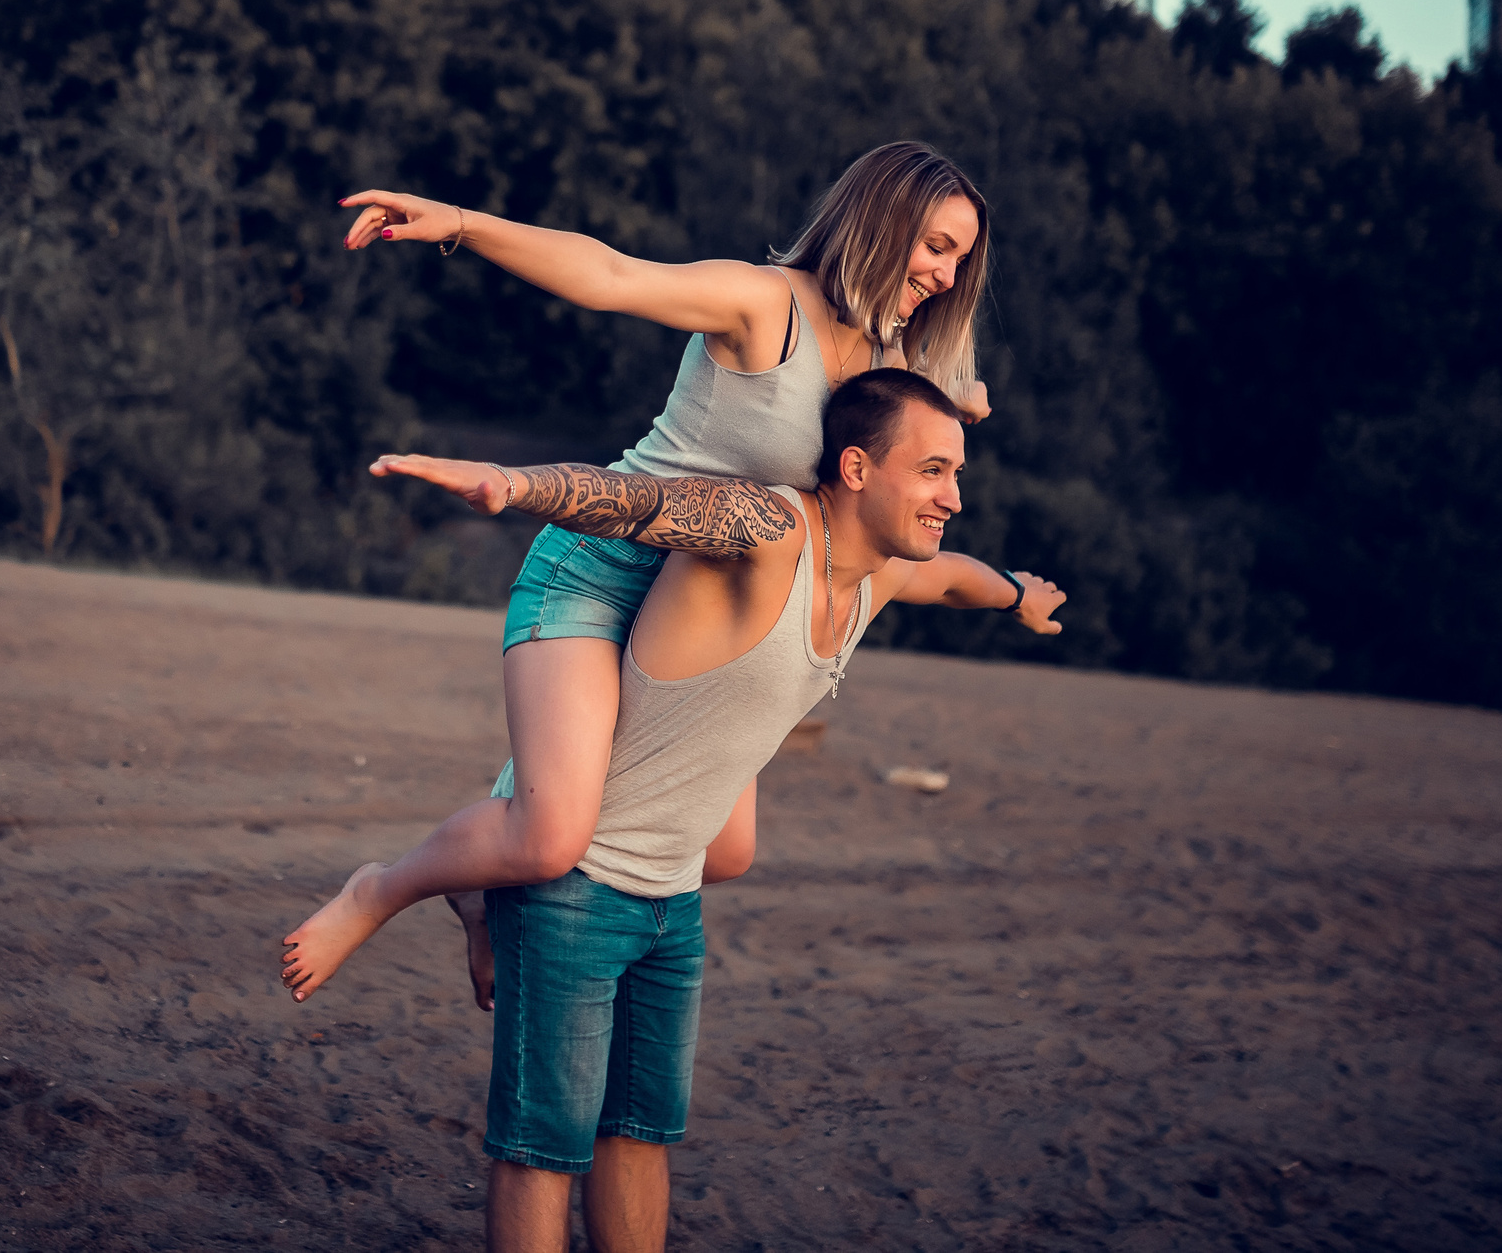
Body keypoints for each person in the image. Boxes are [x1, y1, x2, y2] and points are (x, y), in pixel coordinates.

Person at [281, 142, 996, 1002]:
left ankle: (492, 858)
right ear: (881, 223)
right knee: (550, 838)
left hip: (708, 612)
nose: (948, 275)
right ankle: (384, 887)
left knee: (726, 851)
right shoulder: (766, 305)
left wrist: (966, 414)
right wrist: (461, 225)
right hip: (604, 566)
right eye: (937, 246)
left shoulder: (896, 369)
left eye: (962, 257)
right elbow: (611, 274)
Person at [371, 367, 1065, 1253]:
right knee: (542, 1147)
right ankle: (479, 872)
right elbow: (640, 503)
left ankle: (480, 887)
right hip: (575, 887)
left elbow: (957, 579)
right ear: (855, 467)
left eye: (957, 474)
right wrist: (512, 485)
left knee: (641, 1135)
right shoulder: (773, 529)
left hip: (675, 900)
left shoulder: (880, 577)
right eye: (933, 470)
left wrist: (1017, 593)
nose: (953, 496)